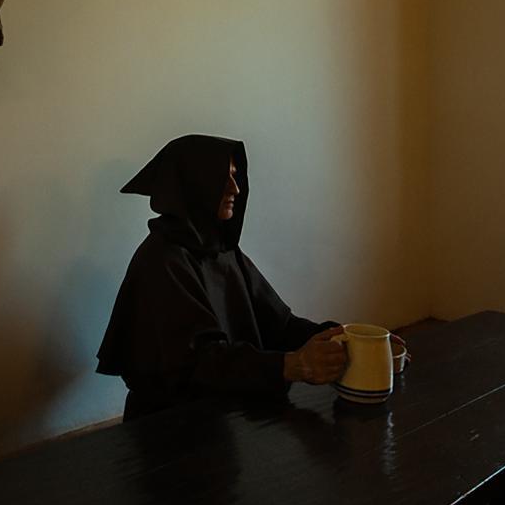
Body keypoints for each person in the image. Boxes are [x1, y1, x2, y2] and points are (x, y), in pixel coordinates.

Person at [96, 135, 347, 420]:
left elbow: (279, 325)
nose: (235, 188)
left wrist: (342, 338)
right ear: (193, 184)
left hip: (226, 419)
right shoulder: (161, 260)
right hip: (171, 427)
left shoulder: (223, 250)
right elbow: (198, 364)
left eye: (235, 176)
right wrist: (292, 365)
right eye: (222, 177)